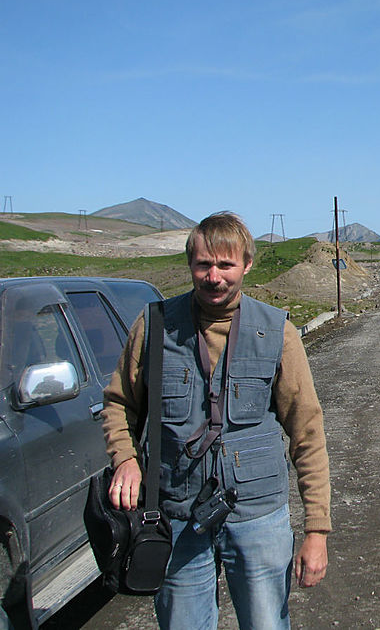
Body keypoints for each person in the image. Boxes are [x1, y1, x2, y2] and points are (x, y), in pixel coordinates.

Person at [102, 211, 331, 630]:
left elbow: (307, 432)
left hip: (258, 517)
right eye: (203, 264)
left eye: (225, 265)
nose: (213, 276)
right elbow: (118, 402)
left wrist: (317, 529)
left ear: (246, 265)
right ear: (190, 265)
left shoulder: (278, 333)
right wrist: (126, 458)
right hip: (176, 513)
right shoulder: (153, 326)